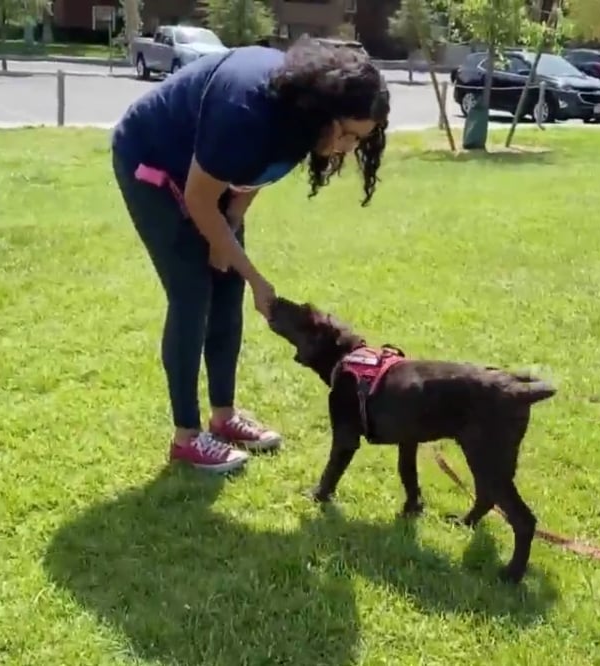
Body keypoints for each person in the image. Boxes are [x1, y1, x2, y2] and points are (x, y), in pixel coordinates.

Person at [110, 38, 390, 474]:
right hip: (154, 162)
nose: (349, 148)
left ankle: (223, 416)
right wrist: (257, 278)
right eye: (348, 134)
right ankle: (186, 437)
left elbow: (256, 172)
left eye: (360, 140)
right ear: (324, 112)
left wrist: (233, 232)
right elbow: (201, 200)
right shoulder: (246, 110)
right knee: (191, 291)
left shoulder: (300, 115)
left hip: (209, 170)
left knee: (227, 285)